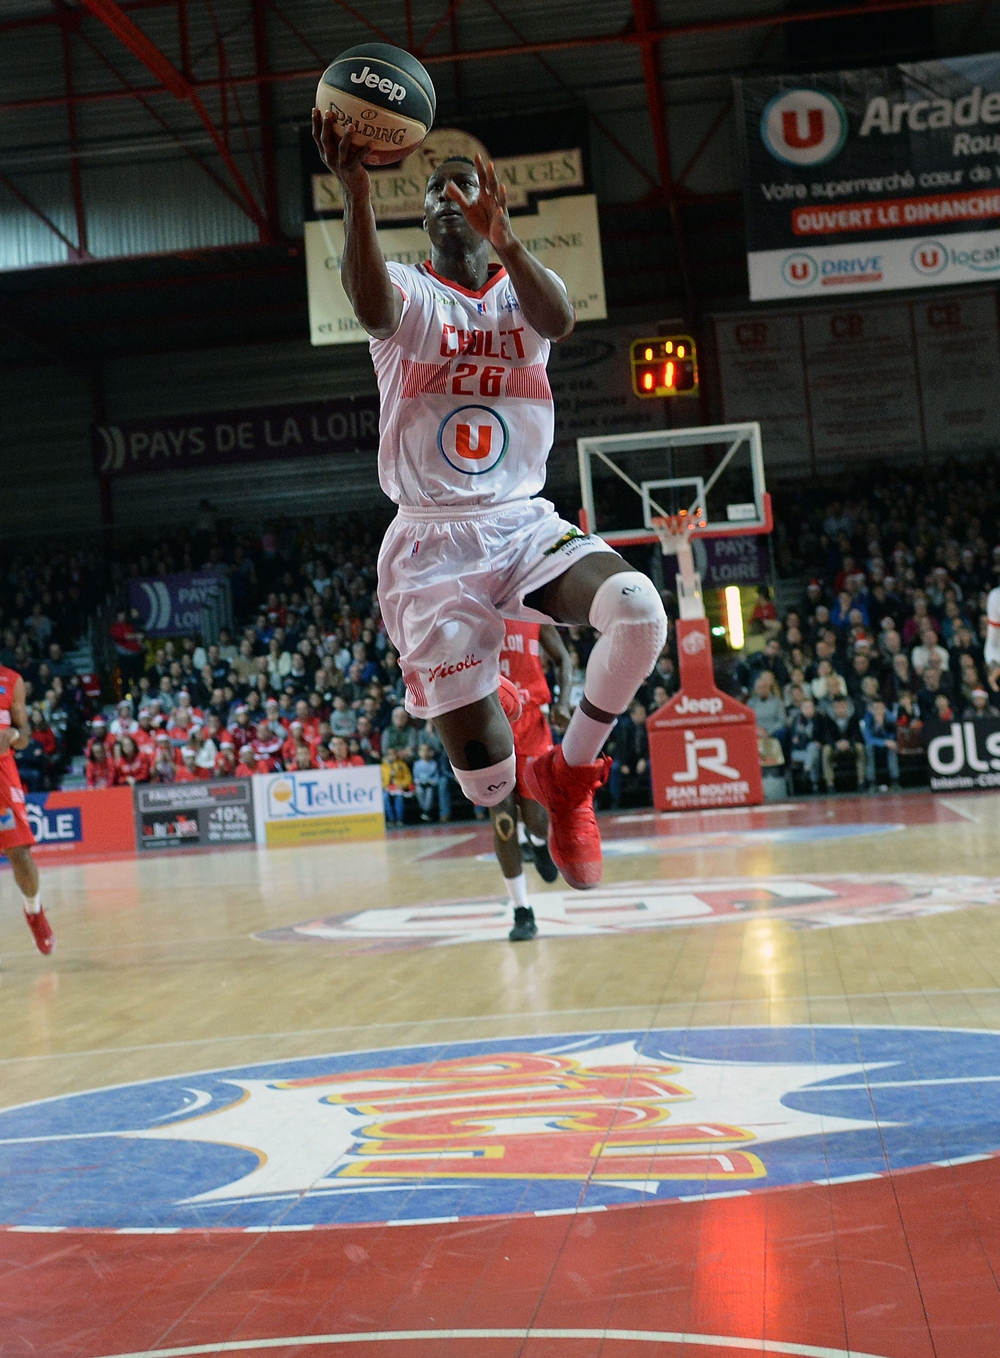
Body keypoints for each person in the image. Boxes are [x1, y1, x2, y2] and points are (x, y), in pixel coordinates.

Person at [312, 116, 668, 889]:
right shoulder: (408, 290)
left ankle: (572, 780)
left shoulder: (522, 287)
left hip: (519, 521)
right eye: (433, 188)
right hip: (430, 543)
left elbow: (562, 323)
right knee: (491, 785)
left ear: (489, 200)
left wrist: (505, 239)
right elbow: (371, 310)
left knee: (640, 610)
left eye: (460, 184)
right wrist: (356, 191)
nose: (445, 194)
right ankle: (530, 784)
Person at [489, 624, 572, 938]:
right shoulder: (470, 613)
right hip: (490, 725)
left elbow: (563, 659)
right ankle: (522, 911)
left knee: (538, 821)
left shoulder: (532, 613)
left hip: (532, 722)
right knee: (504, 821)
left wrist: (562, 704)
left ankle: (539, 843)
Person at [0, 663, 54, 955]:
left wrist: (13, 738)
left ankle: (34, 913)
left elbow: (24, 734)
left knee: (19, 853)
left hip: (1, 773)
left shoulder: (11, 680)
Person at [860, 699, 901, 791]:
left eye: (880, 708)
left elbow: (895, 735)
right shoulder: (867, 719)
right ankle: (871, 782)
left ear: (884, 709)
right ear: (871, 710)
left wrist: (883, 727)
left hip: (888, 745)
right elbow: (867, 738)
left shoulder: (891, 718)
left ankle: (895, 780)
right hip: (875, 746)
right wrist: (884, 742)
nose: (878, 711)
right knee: (868, 748)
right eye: (875, 709)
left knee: (893, 747)